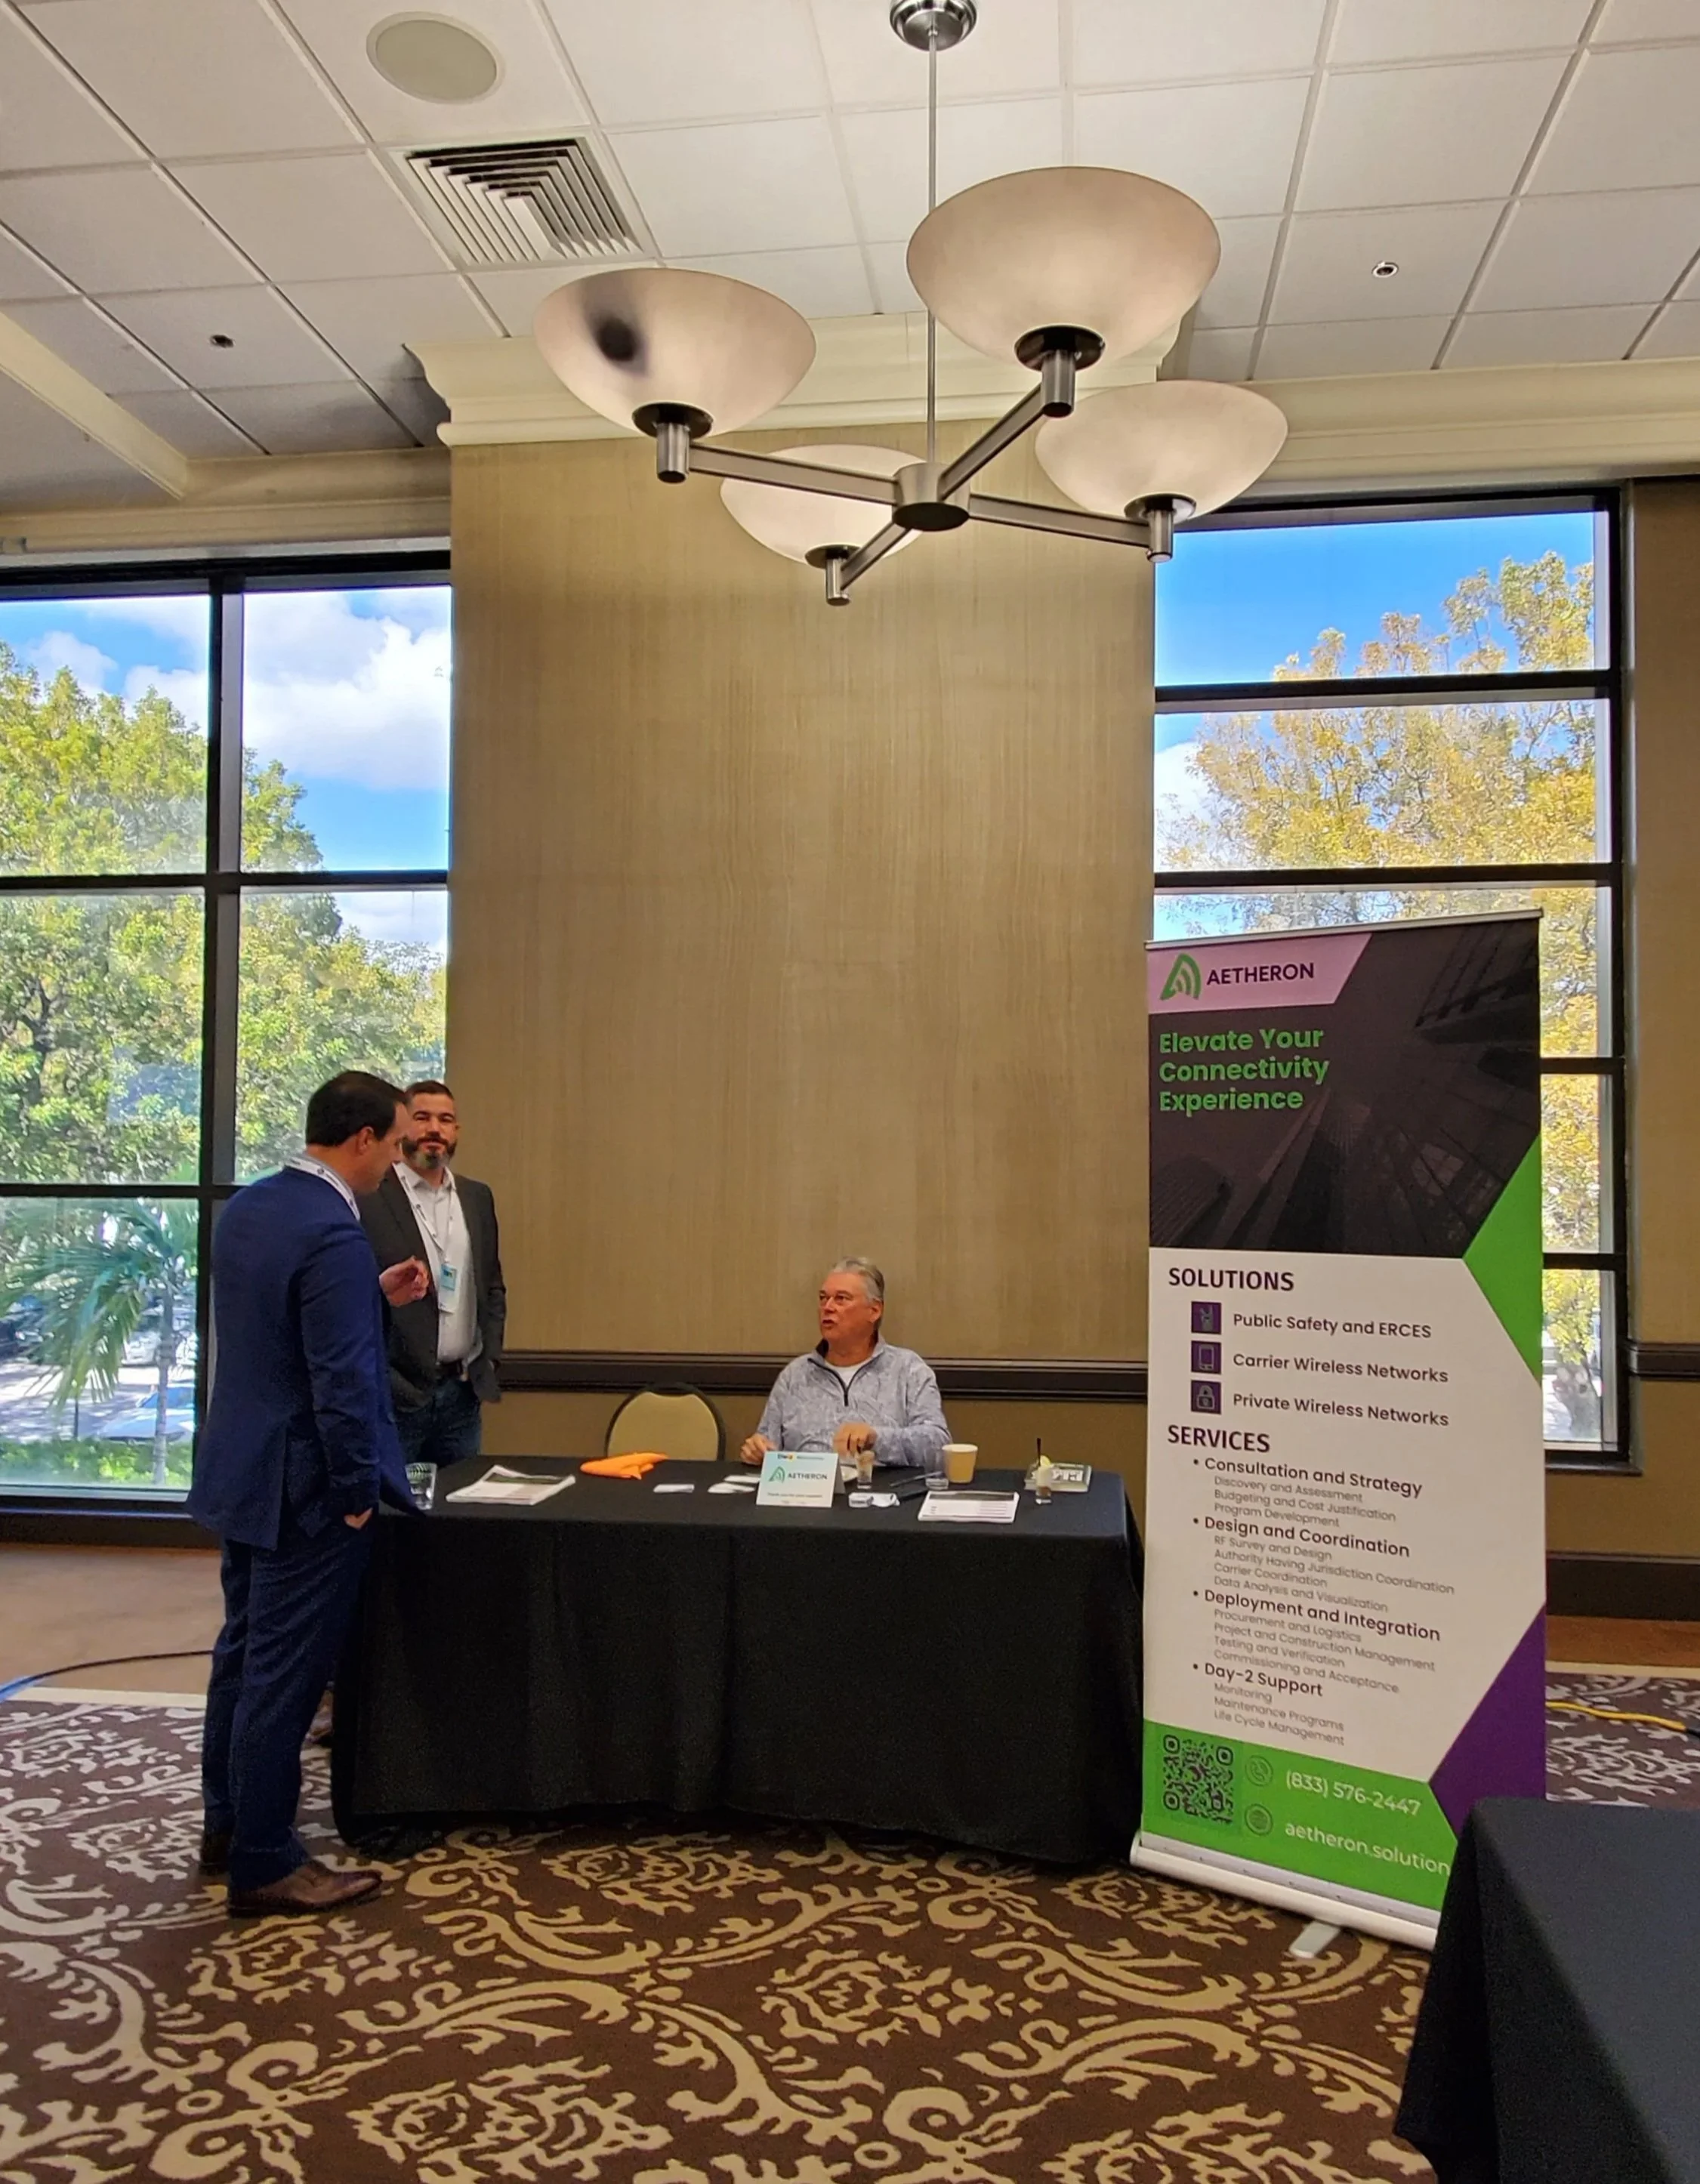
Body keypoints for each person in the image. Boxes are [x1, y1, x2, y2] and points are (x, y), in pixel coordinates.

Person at [189, 1071, 430, 1917]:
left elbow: (276, 1328)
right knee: (284, 1677)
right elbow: (339, 1380)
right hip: (307, 1489)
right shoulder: (334, 1229)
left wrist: (369, 1296)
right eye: (395, 1144)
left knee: (240, 1654)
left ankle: (226, 1824)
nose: (396, 1162)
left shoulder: (252, 1207)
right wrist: (358, 1490)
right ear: (363, 1139)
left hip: (243, 1472)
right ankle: (265, 1859)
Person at [359, 1079, 505, 1470]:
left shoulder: (477, 1197)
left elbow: (492, 1287)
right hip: (397, 1397)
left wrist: (488, 1357)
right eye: (422, 1118)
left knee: (460, 1504)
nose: (434, 1129)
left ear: (457, 1130)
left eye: (445, 1120)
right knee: (392, 1504)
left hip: (461, 1396)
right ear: (402, 1126)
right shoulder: (371, 1195)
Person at [739, 1258, 949, 1469]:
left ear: (874, 1311)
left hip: (880, 1487)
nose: (827, 1307)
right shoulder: (795, 1375)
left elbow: (938, 1446)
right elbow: (767, 1447)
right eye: (823, 1298)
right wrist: (757, 1451)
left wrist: (877, 1439)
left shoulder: (908, 1370)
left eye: (841, 1299)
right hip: (806, 1488)